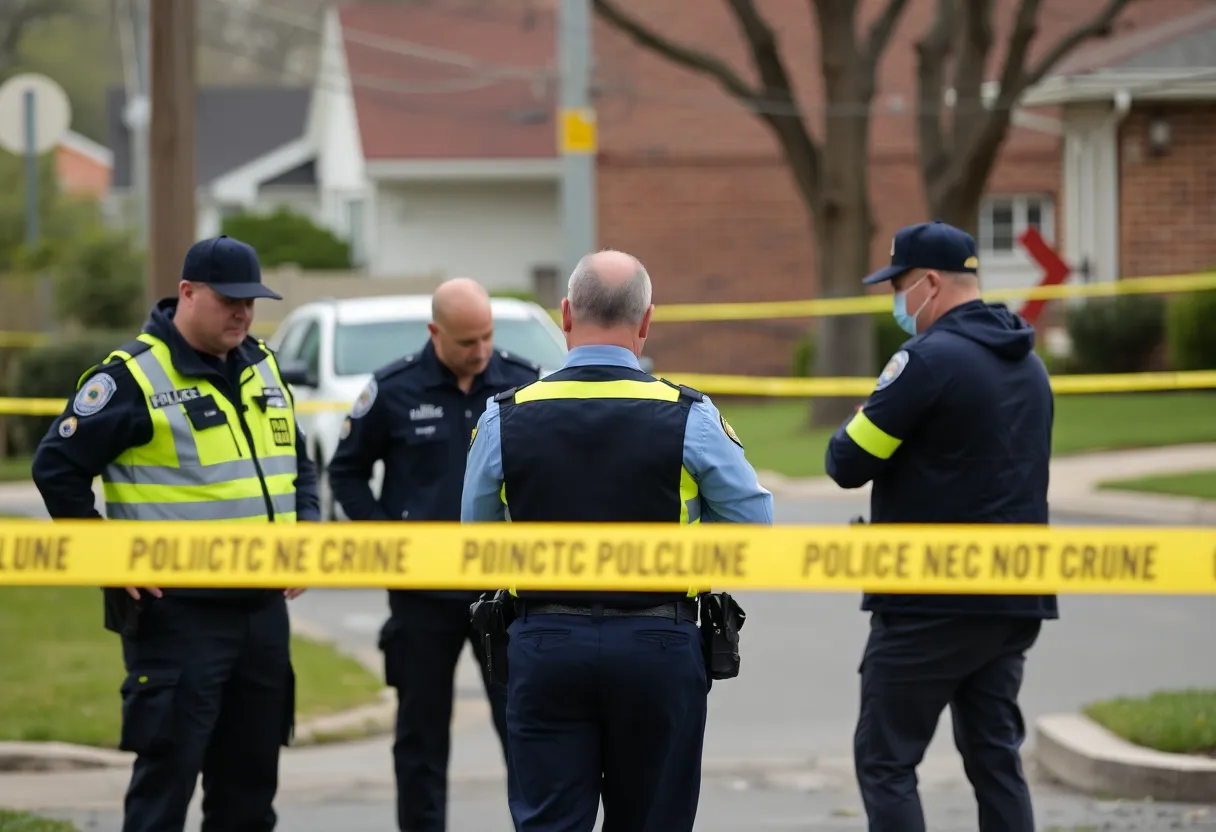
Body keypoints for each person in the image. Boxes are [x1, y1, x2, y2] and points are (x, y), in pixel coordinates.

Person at [461, 249, 774, 832]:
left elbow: (475, 543)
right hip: (660, 645)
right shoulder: (690, 416)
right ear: (647, 320)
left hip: (544, 642)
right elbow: (753, 527)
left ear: (565, 314)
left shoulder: (506, 416)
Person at [30, 235, 319, 832]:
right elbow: (56, 468)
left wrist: (305, 537)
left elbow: (300, 462)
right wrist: (110, 559)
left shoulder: (261, 363)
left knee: (249, 795)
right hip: (179, 620)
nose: (243, 313)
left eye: (252, 301)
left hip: (262, 616)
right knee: (165, 790)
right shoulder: (132, 378)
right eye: (229, 300)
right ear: (187, 293)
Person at [824, 220, 1057, 832]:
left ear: (929, 283)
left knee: (886, 760)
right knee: (995, 759)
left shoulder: (925, 362)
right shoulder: (1028, 365)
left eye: (897, 286)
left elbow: (847, 462)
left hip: (931, 600)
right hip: (1015, 596)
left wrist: (860, 418)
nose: (896, 301)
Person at [326, 276, 540, 832]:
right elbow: (346, 471)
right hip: (421, 596)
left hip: (502, 594)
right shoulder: (394, 388)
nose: (480, 351)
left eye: (487, 337)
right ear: (434, 332)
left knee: (526, 730)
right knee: (420, 739)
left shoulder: (520, 385)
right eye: (467, 341)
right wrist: (383, 538)